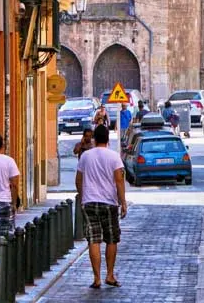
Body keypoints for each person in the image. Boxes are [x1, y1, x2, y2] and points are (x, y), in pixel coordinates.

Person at [76, 124, 127, 289]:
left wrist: (83, 196)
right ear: (108, 139)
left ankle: (97, 278)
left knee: (93, 240)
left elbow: (78, 179)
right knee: (111, 239)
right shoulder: (114, 157)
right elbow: (119, 180)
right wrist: (123, 201)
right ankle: (110, 275)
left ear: (95, 139)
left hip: (89, 202)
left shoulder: (85, 156)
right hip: (109, 202)